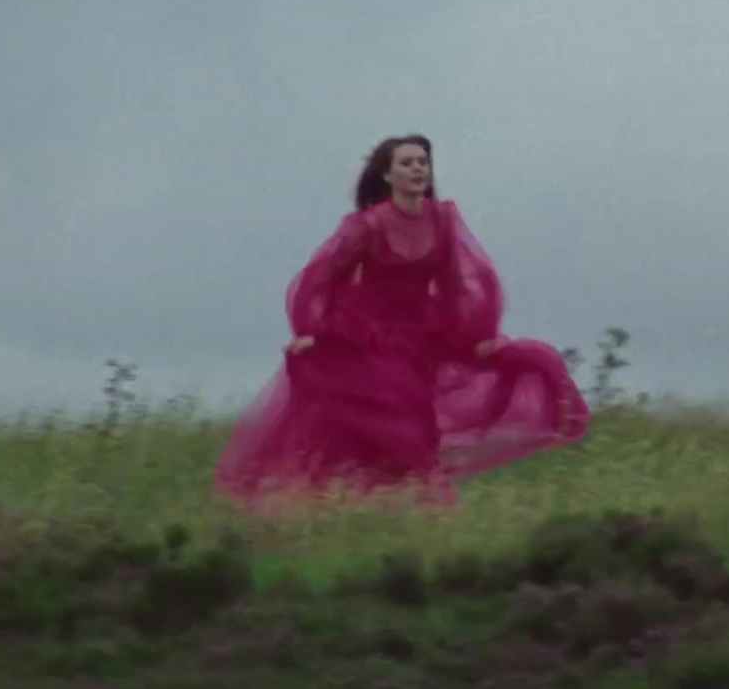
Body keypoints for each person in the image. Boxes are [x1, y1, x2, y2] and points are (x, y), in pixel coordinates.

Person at [214, 134, 591, 510]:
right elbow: (322, 277)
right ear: (388, 174)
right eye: (407, 163)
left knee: (445, 408)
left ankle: (391, 504)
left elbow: (467, 279)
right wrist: (312, 330)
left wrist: (479, 333)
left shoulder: (442, 220)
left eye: (422, 162)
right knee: (401, 420)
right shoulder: (368, 225)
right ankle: (436, 504)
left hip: (423, 336)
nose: (417, 169)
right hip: (370, 337)